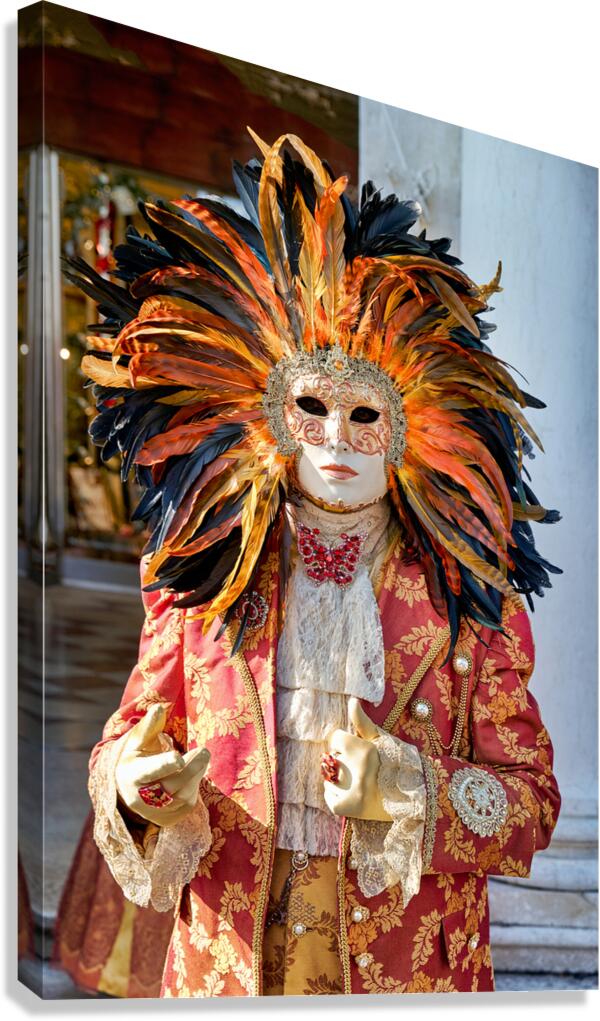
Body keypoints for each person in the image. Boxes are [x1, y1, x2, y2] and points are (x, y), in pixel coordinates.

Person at [69, 128, 561, 997]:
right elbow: (130, 734)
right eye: (311, 405)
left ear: (414, 426)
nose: (335, 438)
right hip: (228, 970)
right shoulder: (204, 574)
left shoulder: (467, 600)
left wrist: (414, 788)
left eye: (364, 414)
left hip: (405, 978)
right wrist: (135, 781)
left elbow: (532, 804)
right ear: (267, 409)